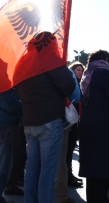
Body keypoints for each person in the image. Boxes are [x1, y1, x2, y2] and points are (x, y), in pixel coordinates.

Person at [15, 32, 75, 203]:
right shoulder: (50, 59)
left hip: (30, 122)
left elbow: (18, 92)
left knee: (32, 170)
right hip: (49, 121)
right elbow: (68, 86)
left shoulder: (23, 63)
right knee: (48, 173)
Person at [78, 49, 109, 203]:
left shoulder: (88, 74)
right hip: (105, 130)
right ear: (106, 59)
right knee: (103, 172)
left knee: (93, 174)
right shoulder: (104, 73)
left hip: (89, 129)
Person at [55, 70, 81, 203]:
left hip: (32, 119)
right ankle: (60, 196)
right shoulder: (64, 71)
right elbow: (77, 95)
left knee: (35, 161)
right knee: (60, 159)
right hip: (58, 120)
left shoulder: (30, 66)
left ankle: (37, 195)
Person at [66, 62, 85, 188]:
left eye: (82, 70)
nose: (81, 72)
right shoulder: (72, 83)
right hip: (69, 119)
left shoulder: (80, 84)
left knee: (71, 148)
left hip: (75, 119)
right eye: (78, 69)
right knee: (68, 150)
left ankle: (70, 175)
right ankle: (68, 176)